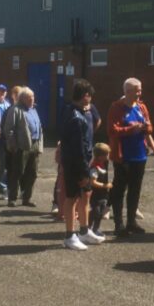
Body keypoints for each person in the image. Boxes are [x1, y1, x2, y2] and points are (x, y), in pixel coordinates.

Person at [60, 79, 104, 251]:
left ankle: (84, 231)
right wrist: (85, 172)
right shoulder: (75, 117)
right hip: (75, 164)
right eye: (90, 96)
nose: (91, 100)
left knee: (86, 195)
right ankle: (69, 236)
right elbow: (77, 148)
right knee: (71, 198)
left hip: (83, 161)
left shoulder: (80, 112)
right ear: (85, 96)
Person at [107, 78, 153, 235]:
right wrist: (130, 129)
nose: (140, 93)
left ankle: (131, 222)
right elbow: (112, 130)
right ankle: (118, 224)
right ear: (127, 91)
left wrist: (145, 127)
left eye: (140, 90)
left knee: (135, 190)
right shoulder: (116, 107)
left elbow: (150, 126)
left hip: (140, 155)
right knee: (120, 189)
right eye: (137, 90)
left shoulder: (141, 107)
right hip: (123, 156)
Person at [3, 87, 43, 207]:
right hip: (22, 146)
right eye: (28, 97)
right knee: (18, 172)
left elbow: (39, 127)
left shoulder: (33, 109)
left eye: (33, 96)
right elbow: (8, 129)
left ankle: (27, 198)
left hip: (35, 145)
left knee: (33, 173)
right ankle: (12, 198)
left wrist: (40, 145)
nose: (32, 99)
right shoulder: (15, 110)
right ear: (22, 99)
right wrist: (13, 146)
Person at [89, 143, 113, 237]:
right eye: (106, 154)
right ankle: (88, 228)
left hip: (102, 195)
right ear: (100, 156)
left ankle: (96, 228)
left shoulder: (103, 165)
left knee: (99, 213)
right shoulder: (95, 167)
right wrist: (105, 185)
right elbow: (93, 182)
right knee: (95, 212)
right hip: (95, 195)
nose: (108, 156)